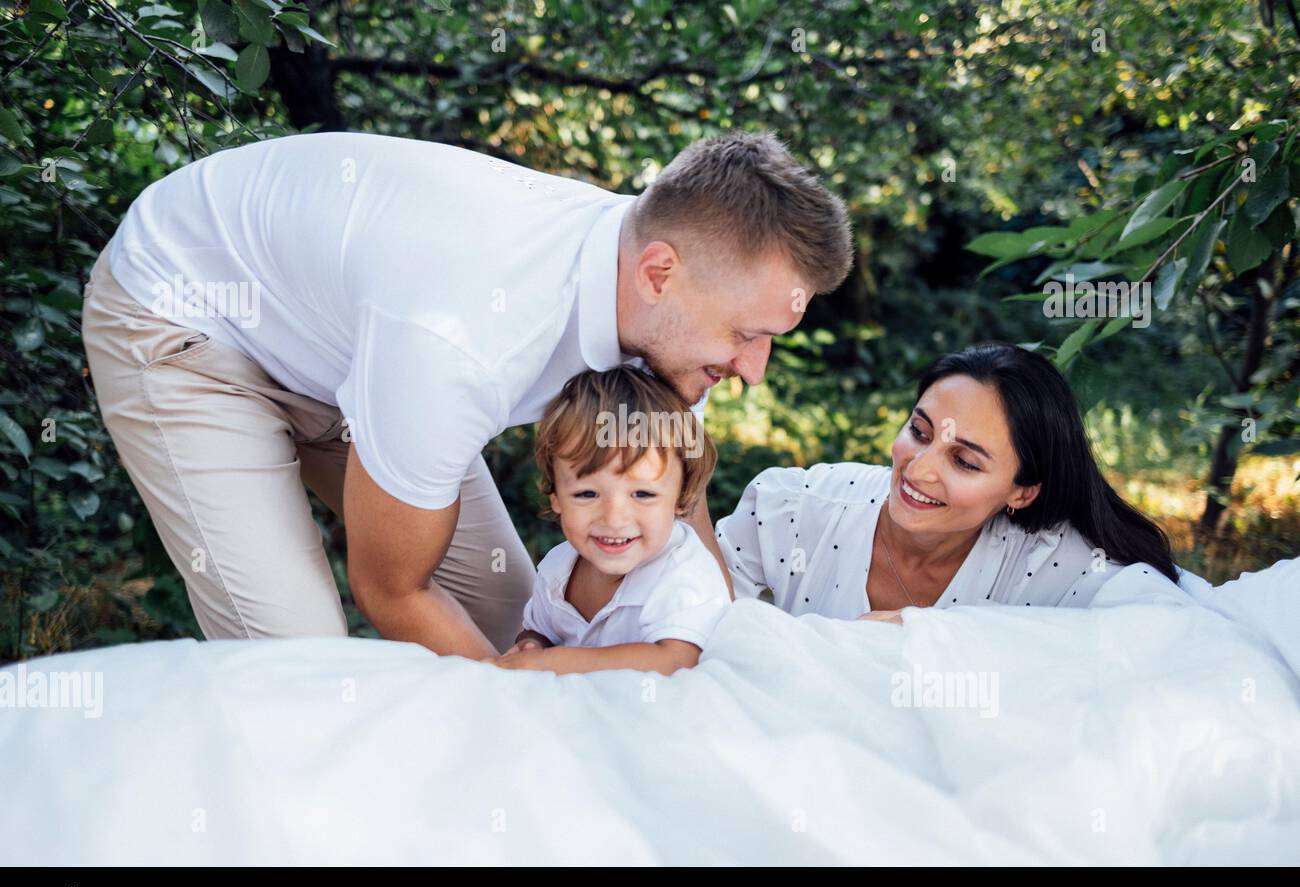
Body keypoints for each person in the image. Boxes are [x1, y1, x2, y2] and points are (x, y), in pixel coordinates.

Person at [80, 130, 852, 656]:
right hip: (185, 319)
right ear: (658, 273)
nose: (754, 369)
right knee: (299, 661)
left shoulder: (678, 327)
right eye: (748, 335)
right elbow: (391, 588)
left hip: (356, 351)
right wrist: (521, 719)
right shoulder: (465, 338)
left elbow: (682, 514)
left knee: (522, 617)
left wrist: (727, 664)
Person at [715, 343, 1185, 620]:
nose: (918, 470)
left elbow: (1169, 632)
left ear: (1022, 491)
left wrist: (936, 635)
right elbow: (682, 614)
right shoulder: (796, 509)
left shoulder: (1055, 562)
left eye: (964, 461)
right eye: (918, 432)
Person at [493, 367, 730, 675]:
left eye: (643, 494)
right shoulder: (558, 569)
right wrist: (532, 646)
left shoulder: (684, 573)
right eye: (587, 494)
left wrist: (556, 662)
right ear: (556, 498)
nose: (614, 518)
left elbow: (678, 661)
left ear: (682, 498)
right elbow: (538, 630)